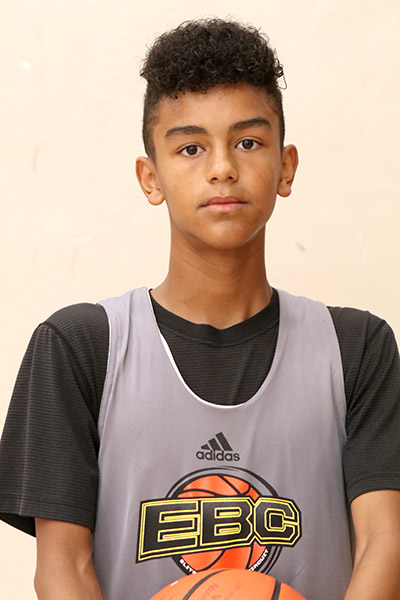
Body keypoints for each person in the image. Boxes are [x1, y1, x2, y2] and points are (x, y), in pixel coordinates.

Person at [0, 17, 400, 600]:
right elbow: (64, 568)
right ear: (150, 177)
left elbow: (383, 543)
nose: (221, 167)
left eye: (248, 142)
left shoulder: (356, 348)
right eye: (190, 147)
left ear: (286, 166)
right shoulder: (79, 347)